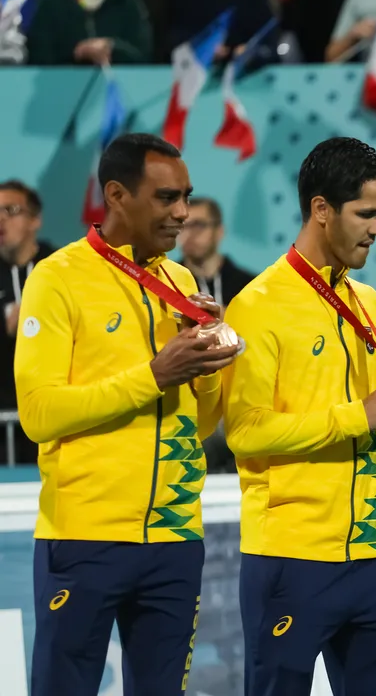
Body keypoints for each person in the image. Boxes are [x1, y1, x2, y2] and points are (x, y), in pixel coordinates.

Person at [15, 133, 240, 696]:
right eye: (166, 198)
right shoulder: (57, 277)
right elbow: (38, 415)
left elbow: (201, 421)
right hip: (86, 538)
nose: (183, 213)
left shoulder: (181, 284)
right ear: (116, 195)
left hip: (174, 536)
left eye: (186, 196)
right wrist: (154, 375)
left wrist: (210, 366)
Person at [223, 137, 376, 696]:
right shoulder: (259, 304)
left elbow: (375, 418)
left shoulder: (370, 302)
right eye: (367, 214)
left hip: (374, 554)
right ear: (321, 210)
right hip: (292, 559)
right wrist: (355, 415)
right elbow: (244, 432)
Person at [0, 180, 56, 465]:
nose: (1, 219)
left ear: (35, 220)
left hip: (57, 418)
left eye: (10, 210)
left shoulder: (61, 267)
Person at [178, 197, 255, 310]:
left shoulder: (248, 286)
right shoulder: (168, 285)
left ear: (219, 231)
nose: (189, 234)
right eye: (182, 226)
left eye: (198, 225)